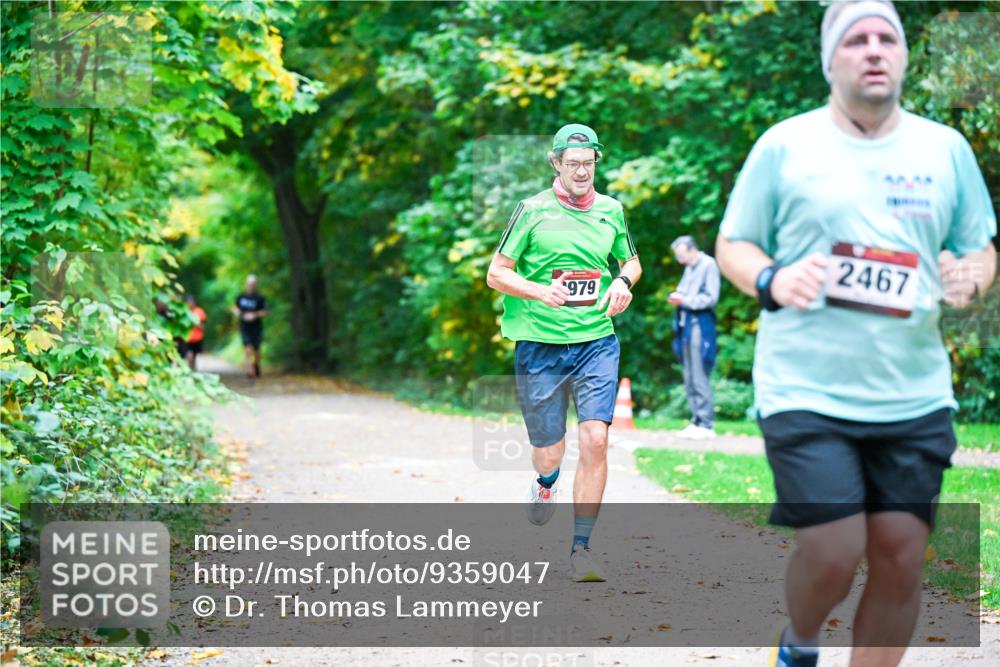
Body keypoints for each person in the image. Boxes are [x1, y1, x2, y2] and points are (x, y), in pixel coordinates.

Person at [714, 2, 996, 666]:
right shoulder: (785, 145)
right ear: (830, 60)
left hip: (913, 393)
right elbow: (734, 243)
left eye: (886, 38)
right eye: (857, 40)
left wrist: (972, 278)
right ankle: (801, 640)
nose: (874, 50)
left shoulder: (944, 150)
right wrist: (773, 280)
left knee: (901, 554)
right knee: (835, 548)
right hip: (805, 387)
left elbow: (980, 247)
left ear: (902, 56)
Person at [486, 124, 641, 583]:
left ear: (596, 162)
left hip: (596, 340)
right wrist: (538, 291)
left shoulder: (611, 211)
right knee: (549, 454)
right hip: (539, 345)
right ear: (555, 163)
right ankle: (545, 484)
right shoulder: (531, 211)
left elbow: (630, 260)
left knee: (596, 438)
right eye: (571, 163)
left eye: (588, 163)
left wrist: (622, 281)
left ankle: (582, 548)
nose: (580, 171)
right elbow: (497, 273)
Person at [668, 236, 720, 439]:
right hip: (685, 325)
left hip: (700, 325)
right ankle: (696, 420)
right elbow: (684, 290)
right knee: (689, 375)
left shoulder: (708, 265)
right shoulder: (689, 267)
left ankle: (706, 424)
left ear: (692, 250)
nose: (680, 260)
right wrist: (676, 296)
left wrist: (685, 300)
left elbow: (711, 297)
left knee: (699, 374)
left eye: (682, 255)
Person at [232, 275, 268, 378]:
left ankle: (256, 365)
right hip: (245, 327)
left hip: (256, 327)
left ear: (255, 285)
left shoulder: (260, 298)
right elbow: (235, 308)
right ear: (246, 284)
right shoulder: (241, 297)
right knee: (247, 348)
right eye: (249, 284)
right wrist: (238, 313)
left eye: (253, 284)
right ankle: (249, 371)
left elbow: (265, 311)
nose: (251, 286)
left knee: (257, 350)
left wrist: (255, 315)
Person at [184, 294, 208, 371]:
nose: (190, 304)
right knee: (189, 355)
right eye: (188, 302)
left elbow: (204, 326)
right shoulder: (183, 311)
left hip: (197, 339)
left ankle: (193, 370)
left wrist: (196, 323)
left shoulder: (200, 312)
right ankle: (188, 370)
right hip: (187, 338)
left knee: (194, 356)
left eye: (191, 302)